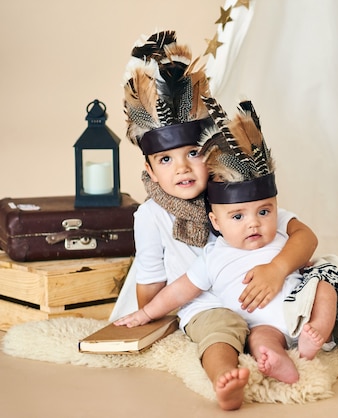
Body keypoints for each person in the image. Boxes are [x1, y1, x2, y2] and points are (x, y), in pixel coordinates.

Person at [119, 30, 321, 410]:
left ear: (211, 151)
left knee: (321, 296)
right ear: (148, 166)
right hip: (204, 301)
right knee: (218, 331)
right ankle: (225, 381)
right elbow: (150, 288)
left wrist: (278, 269)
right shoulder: (151, 216)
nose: (181, 168)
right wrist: (153, 307)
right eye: (165, 160)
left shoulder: (232, 191)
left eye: (193, 152)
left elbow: (300, 235)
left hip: (256, 291)